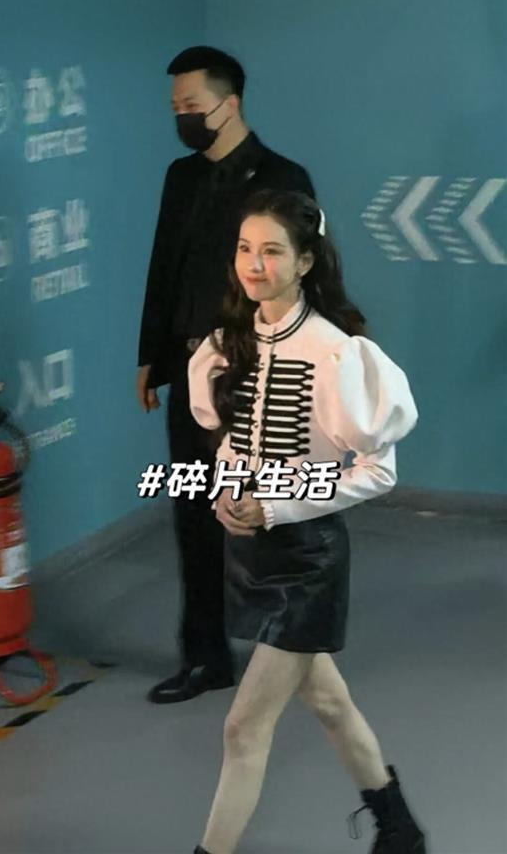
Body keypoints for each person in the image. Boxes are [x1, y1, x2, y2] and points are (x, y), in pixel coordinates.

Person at [188, 189, 427, 854]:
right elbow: (233, 443)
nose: (253, 264)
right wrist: (229, 494)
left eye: (271, 251)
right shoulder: (227, 344)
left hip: (307, 562)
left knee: (242, 729)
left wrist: (278, 504)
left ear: (305, 262)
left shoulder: (337, 353)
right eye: (245, 249)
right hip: (251, 555)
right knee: (328, 703)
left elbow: (378, 472)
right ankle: (400, 831)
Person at [137, 47, 315, 704]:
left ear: (229, 104)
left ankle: (290, 650)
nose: (182, 117)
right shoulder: (181, 177)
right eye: (175, 108)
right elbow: (164, 270)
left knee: (269, 518)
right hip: (191, 372)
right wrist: (150, 358)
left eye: (192, 106)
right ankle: (205, 656)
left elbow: (304, 278)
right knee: (195, 516)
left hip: (255, 371)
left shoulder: (282, 178)